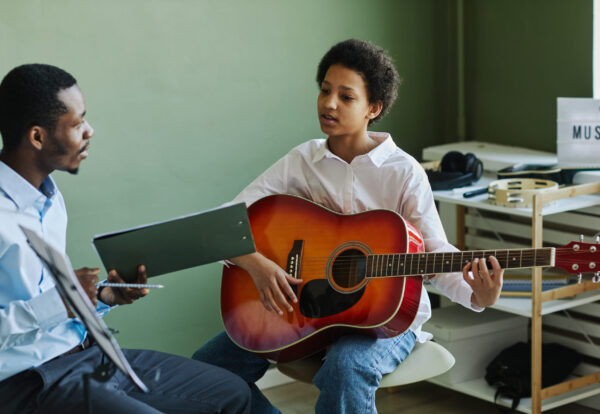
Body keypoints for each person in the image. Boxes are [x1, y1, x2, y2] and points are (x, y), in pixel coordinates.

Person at [192, 39, 504, 414]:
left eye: (346, 96)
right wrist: (257, 264)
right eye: (325, 90)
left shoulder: (404, 173)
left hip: (385, 322)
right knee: (204, 371)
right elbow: (223, 220)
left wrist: (478, 295)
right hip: (302, 311)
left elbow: (434, 253)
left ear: (373, 108)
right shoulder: (302, 161)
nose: (329, 103)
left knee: (346, 367)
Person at [0, 63, 251, 414]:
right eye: (77, 123)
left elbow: (47, 296)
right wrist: (64, 301)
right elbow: (48, 306)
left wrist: (103, 296)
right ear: (38, 137)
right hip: (31, 382)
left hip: (90, 354)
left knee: (232, 392)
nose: (90, 130)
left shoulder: (49, 198)